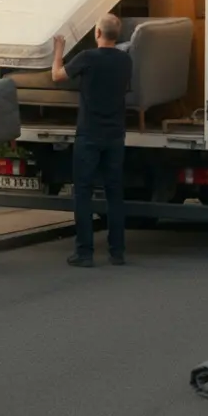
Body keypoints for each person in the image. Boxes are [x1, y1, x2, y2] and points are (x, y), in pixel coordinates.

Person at [52, 14, 134, 267]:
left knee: (83, 193)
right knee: (114, 194)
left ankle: (84, 252)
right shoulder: (125, 60)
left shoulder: (87, 57)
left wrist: (59, 50)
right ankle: (117, 252)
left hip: (89, 133)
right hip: (115, 134)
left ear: (97, 33)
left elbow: (57, 76)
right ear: (117, 35)